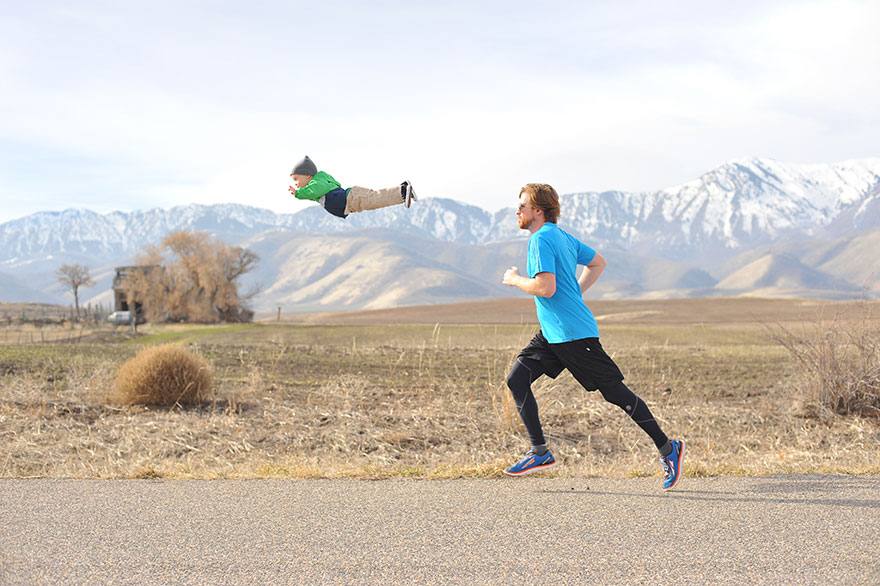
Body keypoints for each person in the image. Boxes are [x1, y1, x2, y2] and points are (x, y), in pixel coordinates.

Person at [500, 183, 685, 490]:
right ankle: (540, 452)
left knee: (616, 393)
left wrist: (515, 280)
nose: (517, 211)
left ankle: (669, 448)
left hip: (573, 335)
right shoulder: (563, 237)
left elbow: (545, 288)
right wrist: (576, 295)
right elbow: (598, 262)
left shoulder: (541, 239)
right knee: (517, 379)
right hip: (553, 333)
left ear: (538, 211)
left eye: (522, 205)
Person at [288, 156, 415, 219]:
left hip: (351, 199)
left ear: (308, 176)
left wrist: (298, 194)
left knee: (375, 199)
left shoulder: (316, 185)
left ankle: (402, 191)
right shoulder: (319, 184)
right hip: (350, 198)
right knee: (375, 198)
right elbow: (315, 194)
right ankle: (403, 191)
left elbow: (312, 191)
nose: (296, 184)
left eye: (296, 179)